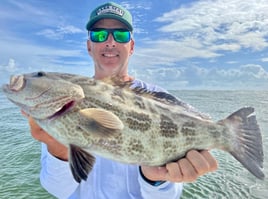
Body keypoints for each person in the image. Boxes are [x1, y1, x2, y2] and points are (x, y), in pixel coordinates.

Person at [23, 2, 218, 199]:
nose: (110, 42)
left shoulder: (159, 100)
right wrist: (58, 149)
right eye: (99, 35)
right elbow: (58, 190)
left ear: (131, 46)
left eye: (120, 35)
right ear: (89, 46)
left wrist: (155, 179)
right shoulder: (64, 100)